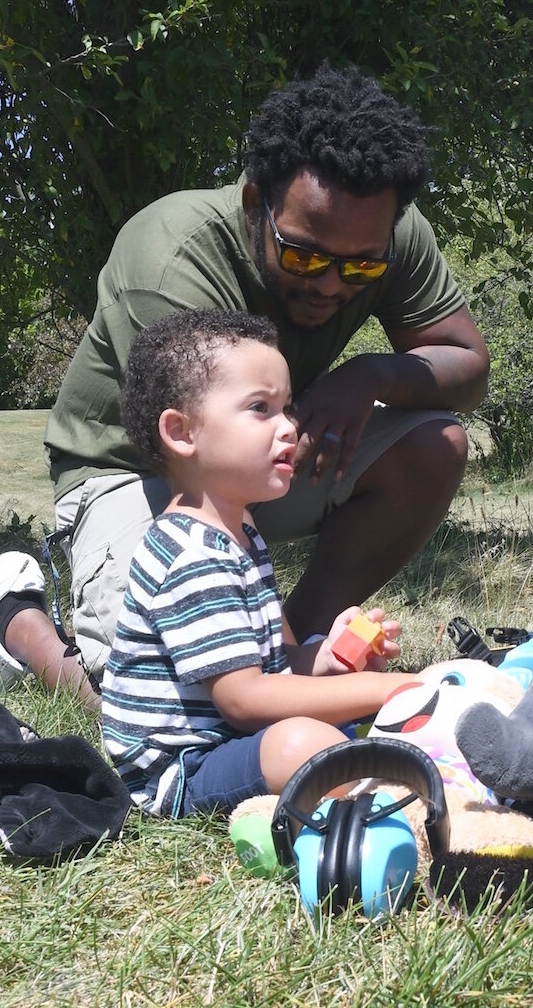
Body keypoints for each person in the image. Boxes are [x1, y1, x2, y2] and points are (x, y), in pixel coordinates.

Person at [0, 64, 488, 712]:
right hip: (134, 470)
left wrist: (370, 373)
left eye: (361, 267)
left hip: (263, 447)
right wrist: (264, 679)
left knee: (433, 443)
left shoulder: (387, 231)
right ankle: (17, 624)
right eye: (304, 256)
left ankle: (300, 649)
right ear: (254, 202)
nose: (330, 283)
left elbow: (467, 363)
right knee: (155, 703)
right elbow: (201, 475)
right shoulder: (175, 257)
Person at [101, 308, 413, 814]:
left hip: (231, 739)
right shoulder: (192, 554)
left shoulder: (240, 530)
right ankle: (385, 795)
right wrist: (390, 688)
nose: (289, 427)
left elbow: (273, 667)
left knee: (321, 734)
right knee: (303, 744)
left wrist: (327, 659)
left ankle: (371, 773)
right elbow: (244, 701)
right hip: (185, 768)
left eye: (287, 408)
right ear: (182, 433)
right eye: (260, 408)